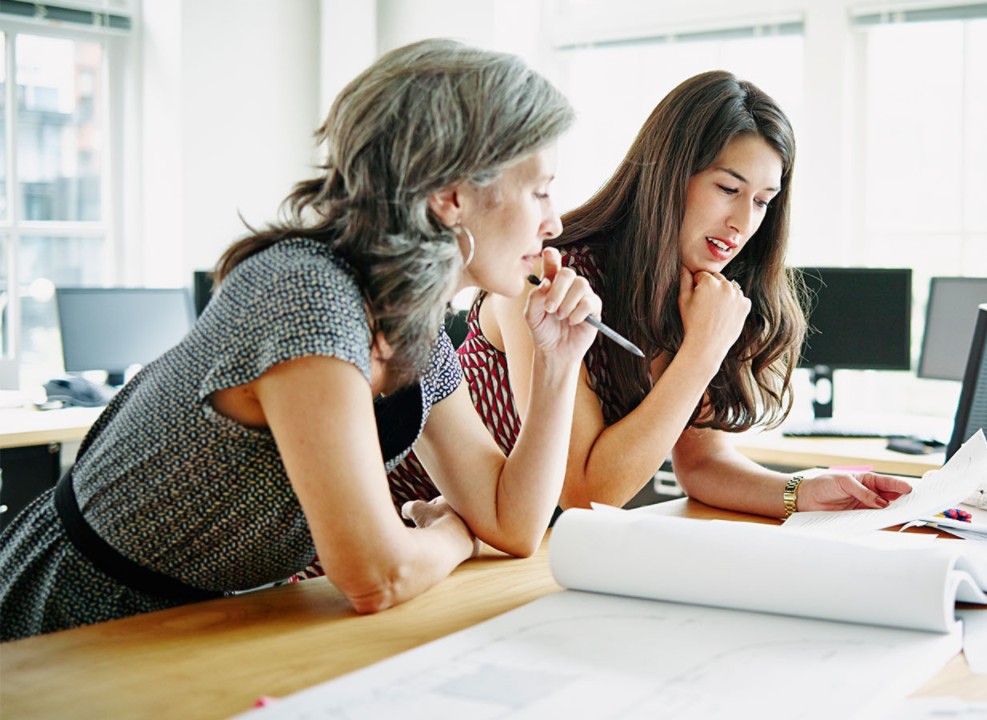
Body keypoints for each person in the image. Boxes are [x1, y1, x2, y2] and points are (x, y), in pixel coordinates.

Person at [0, 38, 598, 641]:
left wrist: (556, 364)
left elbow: (512, 522)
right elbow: (377, 575)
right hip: (64, 614)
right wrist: (450, 535)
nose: (554, 222)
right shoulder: (309, 296)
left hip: (200, 622)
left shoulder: (413, 331)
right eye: (540, 190)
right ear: (452, 196)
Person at [438, 70, 911, 520]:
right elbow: (583, 493)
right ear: (670, 176)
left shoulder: (709, 295)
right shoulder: (552, 279)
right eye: (728, 188)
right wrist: (703, 350)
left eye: (763, 201)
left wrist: (801, 492)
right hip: (424, 525)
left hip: (519, 548)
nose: (743, 223)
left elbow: (702, 462)